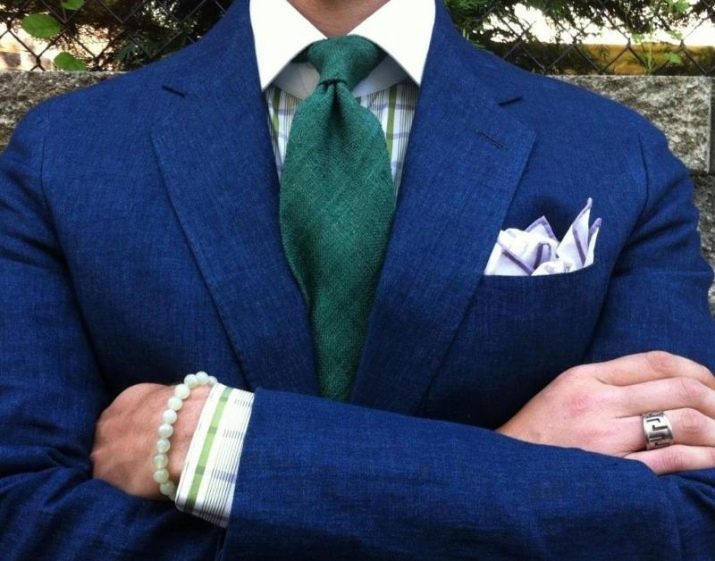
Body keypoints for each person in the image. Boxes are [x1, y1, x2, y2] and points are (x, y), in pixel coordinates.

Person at [1, 0, 714, 558]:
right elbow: (24, 510)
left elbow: (683, 517)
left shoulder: (617, 155)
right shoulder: (65, 153)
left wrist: (225, 446)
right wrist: (508, 466)